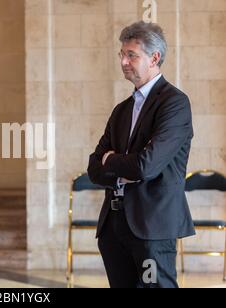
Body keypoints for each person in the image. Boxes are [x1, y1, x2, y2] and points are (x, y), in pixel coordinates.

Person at [87, 21, 195, 288]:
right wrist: (115, 166)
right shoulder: (121, 110)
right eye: (121, 55)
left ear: (154, 58)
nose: (123, 61)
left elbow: (146, 166)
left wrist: (111, 160)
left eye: (131, 55)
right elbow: (93, 169)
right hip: (114, 226)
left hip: (152, 228)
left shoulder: (175, 104)